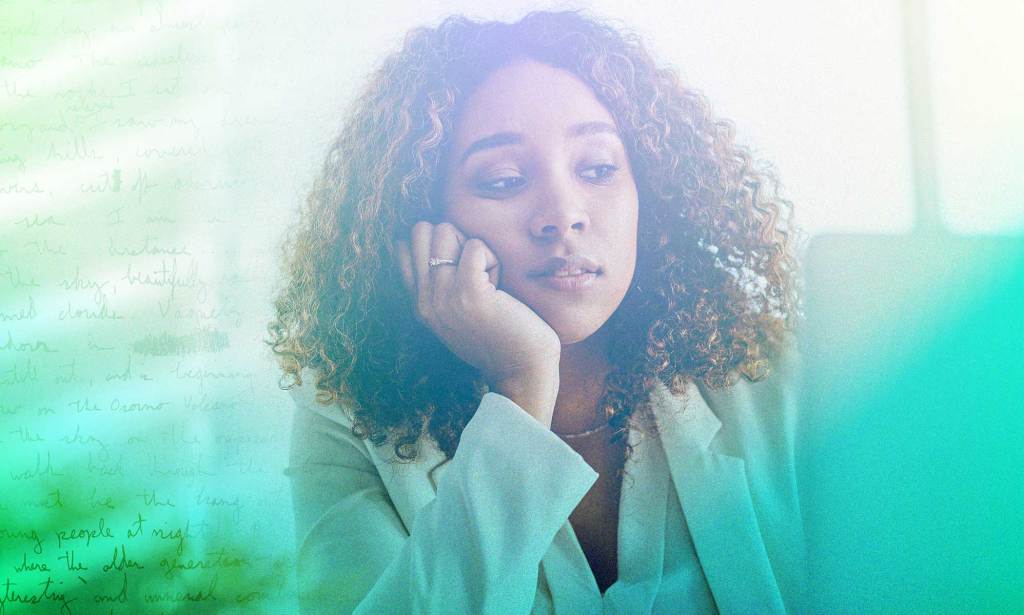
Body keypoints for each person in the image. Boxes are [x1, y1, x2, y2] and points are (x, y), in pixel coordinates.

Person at [270, 10, 804, 614]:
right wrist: (522, 387)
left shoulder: (770, 379)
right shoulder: (345, 410)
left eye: (598, 169)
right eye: (503, 179)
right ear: (420, 219)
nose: (563, 213)